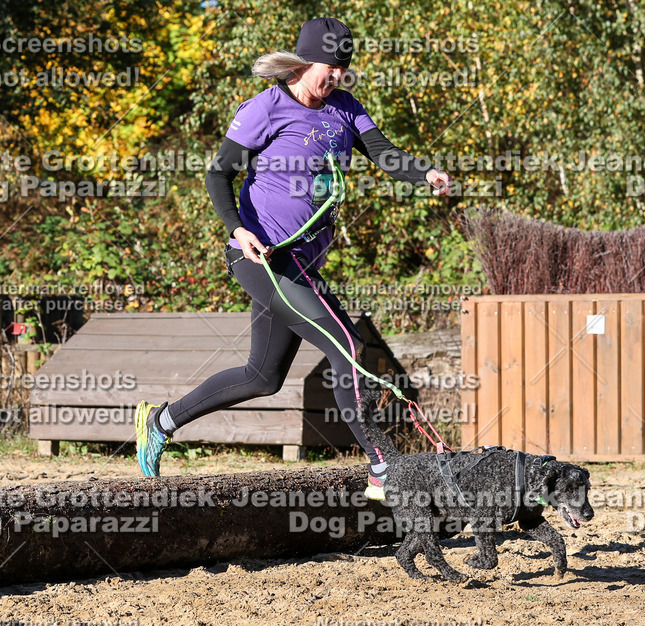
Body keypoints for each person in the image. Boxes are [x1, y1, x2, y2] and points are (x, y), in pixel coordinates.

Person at [134, 17, 453, 500]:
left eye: (344, 69)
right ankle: (382, 468)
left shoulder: (344, 108)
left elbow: (383, 151)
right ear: (305, 63)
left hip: (303, 264)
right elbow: (218, 175)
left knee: (262, 377)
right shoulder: (266, 108)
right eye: (330, 68)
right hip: (261, 258)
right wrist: (237, 230)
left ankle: (161, 420)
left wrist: (423, 173)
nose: (338, 78)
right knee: (346, 346)